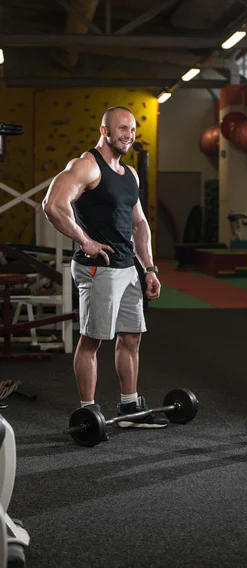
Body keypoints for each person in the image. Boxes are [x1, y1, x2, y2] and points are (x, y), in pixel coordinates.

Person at [42, 106, 168, 429]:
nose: (129, 135)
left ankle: (128, 408)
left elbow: (139, 224)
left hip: (128, 269)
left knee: (131, 338)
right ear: (104, 131)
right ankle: (88, 413)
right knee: (92, 341)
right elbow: (53, 204)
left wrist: (149, 268)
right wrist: (84, 240)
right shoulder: (87, 166)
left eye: (133, 130)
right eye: (122, 128)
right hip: (98, 269)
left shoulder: (130, 175)